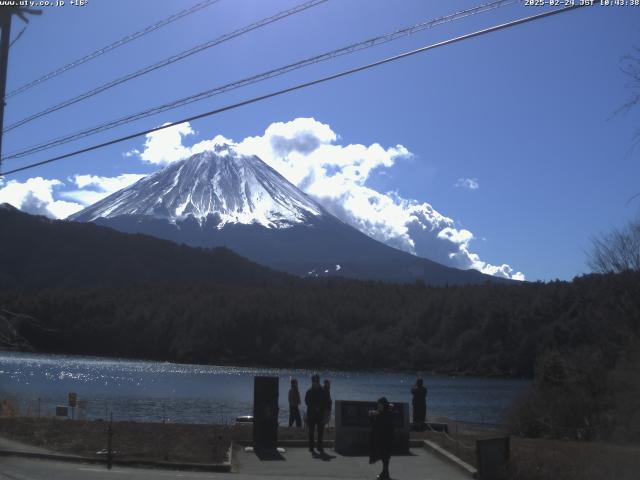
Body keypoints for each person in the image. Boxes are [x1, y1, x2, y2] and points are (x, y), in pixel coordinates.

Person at [369, 396, 394, 480]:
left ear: (383, 405)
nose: (378, 406)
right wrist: (373, 415)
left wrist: (374, 415)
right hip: (384, 438)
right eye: (378, 405)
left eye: (380, 405)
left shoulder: (385, 414)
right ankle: (385, 472)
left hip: (386, 438)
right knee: (385, 456)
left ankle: (385, 473)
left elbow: (380, 424)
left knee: (385, 456)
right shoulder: (385, 413)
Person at [305, 374, 325, 453]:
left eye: (317, 381)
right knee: (311, 431)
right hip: (311, 414)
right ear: (312, 382)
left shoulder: (323, 391)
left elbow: (326, 402)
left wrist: (324, 410)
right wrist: (314, 407)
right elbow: (306, 401)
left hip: (320, 414)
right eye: (314, 381)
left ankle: (319, 446)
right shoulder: (309, 391)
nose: (316, 383)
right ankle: (311, 447)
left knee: (320, 431)